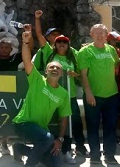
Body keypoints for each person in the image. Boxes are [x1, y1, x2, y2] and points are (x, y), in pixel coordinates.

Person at [12, 25, 71, 167]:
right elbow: (27, 61)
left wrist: (60, 139)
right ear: (46, 71)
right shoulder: (37, 80)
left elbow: (64, 119)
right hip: (23, 124)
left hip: (41, 132)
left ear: (61, 73)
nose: (55, 69)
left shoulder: (63, 93)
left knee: (54, 163)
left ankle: (19, 148)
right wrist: (25, 43)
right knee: (48, 138)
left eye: (58, 68)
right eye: (52, 67)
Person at [33, 11, 86, 163]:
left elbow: (81, 71)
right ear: (54, 44)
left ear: (68, 44)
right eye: (59, 42)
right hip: (52, 95)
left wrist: (75, 75)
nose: (62, 44)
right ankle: (51, 151)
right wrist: (37, 18)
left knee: (72, 123)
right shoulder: (49, 53)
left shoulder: (73, 54)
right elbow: (39, 34)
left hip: (70, 96)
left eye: (64, 42)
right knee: (56, 124)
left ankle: (69, 150)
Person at [78, 24, 120, 165]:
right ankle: (95, 155)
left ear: (106, 34)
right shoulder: (85, 51)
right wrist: (88, 93)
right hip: (93, 96)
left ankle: (110, 155)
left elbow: (116, 68)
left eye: (102, 33)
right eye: (96, 33)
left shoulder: (112, 50)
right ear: (91, 35)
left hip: (112, 95)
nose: (99, 35)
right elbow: (83, 75)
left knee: (110, 126)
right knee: (93, 126)